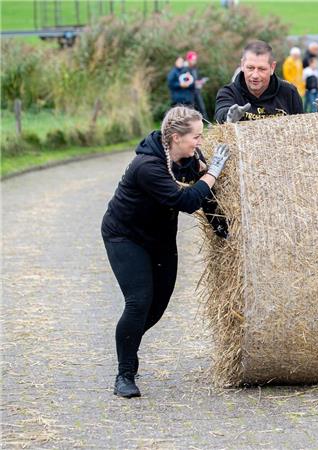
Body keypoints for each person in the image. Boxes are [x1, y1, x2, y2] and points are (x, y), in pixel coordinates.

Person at [102, 106, 230, 398]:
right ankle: (125, 373)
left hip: (159, 238)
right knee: (138, 302)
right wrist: (212, 172)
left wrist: (221, 227)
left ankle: (128, 340)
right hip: (125, 236)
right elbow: (184, 200)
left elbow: (204, 196)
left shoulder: (187, 157)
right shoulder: (147, 166)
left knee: (156, 308)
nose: (200, 142)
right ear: (175, 137)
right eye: (195, 136)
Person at [215, 41, 303, 124]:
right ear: (242, 65)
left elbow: (302, 127)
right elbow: (221, 112)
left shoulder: (289, 92)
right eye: (250, 68)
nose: (255, 75)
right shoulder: (228, 93)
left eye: (261, 69)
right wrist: (228, 118)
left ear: (272, 67)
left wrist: (316, 120)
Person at [185, 51, 209, 120]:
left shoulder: (195, 68)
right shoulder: (185, 69)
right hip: (189, 92)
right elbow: (186, 82)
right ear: (188, 60)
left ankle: (206, 122)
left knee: (202, 107)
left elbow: (197, 77)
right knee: (191, 109)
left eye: (195, 60)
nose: (194, 61)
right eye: (192, 60)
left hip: (196, 90)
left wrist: (201, 81)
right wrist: (194, 83)